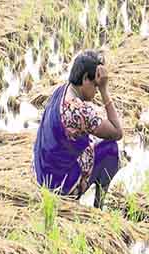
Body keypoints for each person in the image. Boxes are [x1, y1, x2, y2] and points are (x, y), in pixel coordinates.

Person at [32, 50, 123, 208]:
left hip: (43, 174)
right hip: (60, 186)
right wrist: (104, 90)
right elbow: (117, 132)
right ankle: (98, 206)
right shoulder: (78, 111)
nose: (96, 90)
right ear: (85, 79)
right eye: (95, 85)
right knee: (111, 149)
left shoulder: (61, 91)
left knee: (95, 138)